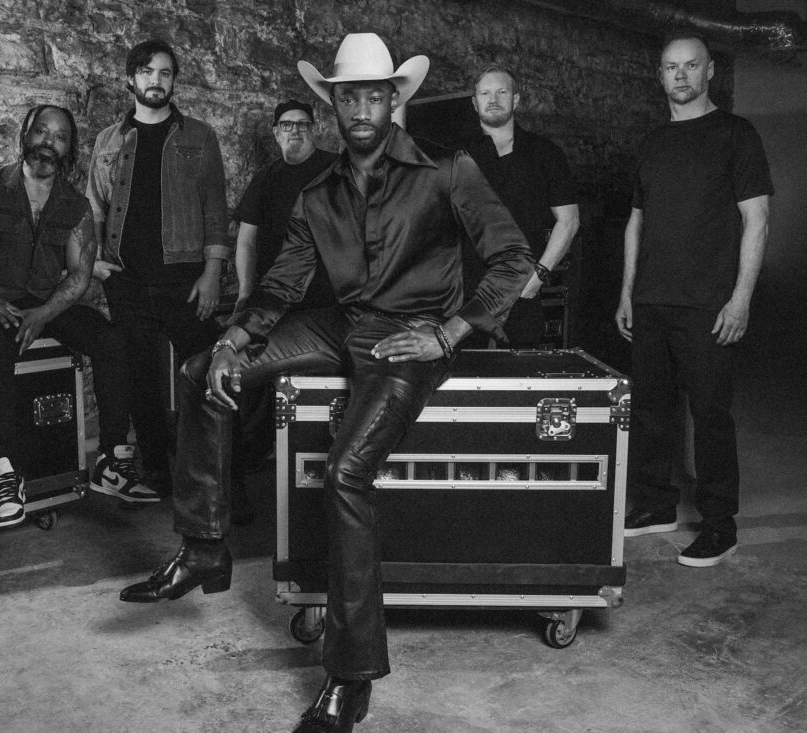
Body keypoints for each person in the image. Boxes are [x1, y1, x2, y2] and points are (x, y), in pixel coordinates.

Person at [119, 33, 532, 731]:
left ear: (395, 99)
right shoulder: (318, 192)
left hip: (409, 340)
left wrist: (449, 331)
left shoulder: (447, 169)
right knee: (201, 369)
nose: (363, 105)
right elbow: (282, 283)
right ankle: (203, 547)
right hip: (342, 324)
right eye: (350, 95)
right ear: (334, 105)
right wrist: (234, 336)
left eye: (376, 92)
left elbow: (514, 259)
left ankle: (352, 675)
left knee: (344, 471)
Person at [0, 105, 157, 528]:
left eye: (60, 136)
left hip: (46, 302)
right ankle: (5, 474)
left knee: (110, 339)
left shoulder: (77, 206)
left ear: (69, 149)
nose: (49, 142)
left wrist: (45, 314)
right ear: (25, 135)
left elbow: (81, 275)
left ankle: (112, 460)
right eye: (41, 132)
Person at [616, 35, 772, 567]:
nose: (679, 76)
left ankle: (719, 525)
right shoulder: (654, 142)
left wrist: (741, 298)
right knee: (652, 410)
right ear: (659, 76)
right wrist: (627, 291)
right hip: (653, 299)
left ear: (708, 73)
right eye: (669, 67)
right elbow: (637, 220)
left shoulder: (736, 134)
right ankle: (656, 505)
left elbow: (757, 218)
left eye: (690, 66)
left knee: (709, 416)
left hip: (708, 302)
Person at [86, 38, 230, 494]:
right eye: (147, 72)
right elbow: (93, 210)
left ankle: (227, 480)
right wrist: (92, 263)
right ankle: (157, 475)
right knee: (142, 385)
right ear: (131, 79)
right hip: (126, 282)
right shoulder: (107, 141)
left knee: (208, 378)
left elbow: (215, 208)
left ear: (173, 81)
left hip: (185, 280)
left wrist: (212, 273)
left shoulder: (200, 136)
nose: (156, 80)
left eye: (165, 73)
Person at [229, 99, 337, 520]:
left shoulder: (336, 168)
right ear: (275, 132)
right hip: (277, 302)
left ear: (316, 130)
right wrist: (244, 293)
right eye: (287, 126)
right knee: (247, 389)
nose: (296, 131)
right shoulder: (267, 178)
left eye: (304, 125)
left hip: (329, 303)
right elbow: (247, 241)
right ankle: (241, 477)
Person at [465, 63, 580, 348]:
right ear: (474, 102)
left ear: (516, 99)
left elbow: (569, 221)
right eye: (485, 93)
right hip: (465, 290)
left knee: (518, 377)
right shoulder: (457, 155)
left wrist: (539, 276)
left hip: (522, 288)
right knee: (462, 379)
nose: (493, 99)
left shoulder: (545, 153)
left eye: (502, 92)